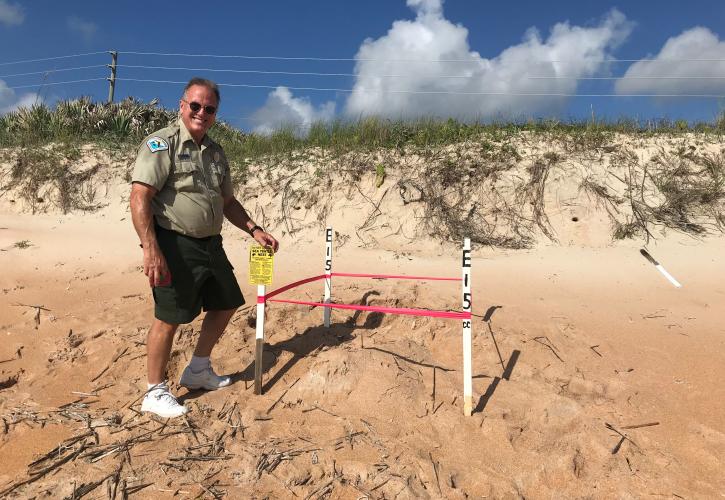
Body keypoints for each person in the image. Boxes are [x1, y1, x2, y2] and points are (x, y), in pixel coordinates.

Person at [130, 77, 279, 418]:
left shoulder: (215, 152)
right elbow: (140, 196)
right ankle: (154, 391)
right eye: (195, 105)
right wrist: (150, 248)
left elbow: (228, 201)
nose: (201, 112)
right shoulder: (161, 144)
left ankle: (198, 368)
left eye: (209, 109)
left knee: (226, 302)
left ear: (215, 114)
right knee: (169, 317)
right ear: (181, 105)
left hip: (211, 244)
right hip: (173, 241)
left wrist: (254, 229)